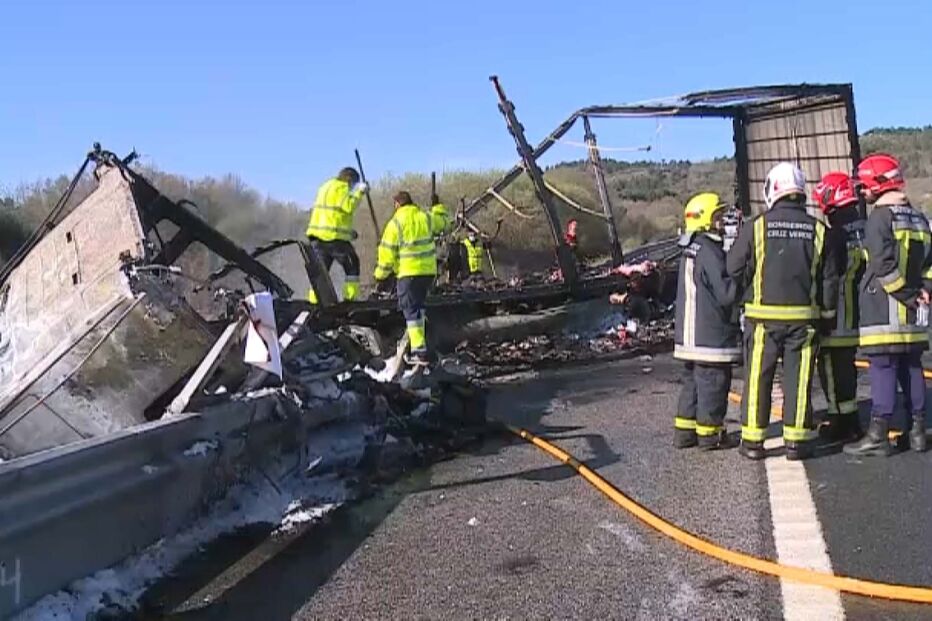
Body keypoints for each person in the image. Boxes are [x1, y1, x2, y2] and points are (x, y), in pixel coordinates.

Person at [727, 162, 839, 461]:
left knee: (758, 379)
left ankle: (752, 441)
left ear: (772, 190)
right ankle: (797, 442)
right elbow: (830, 281)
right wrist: (828, 318)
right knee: (798, 380)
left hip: (763, 320)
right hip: (804, 322)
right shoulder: (819, 230)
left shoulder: (757, 226)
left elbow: (733, 268)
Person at [845, 154, 932, 456]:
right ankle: (918, 432)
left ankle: (878, 434)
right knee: (911, 368)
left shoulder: (879, 218)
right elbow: (930, 266)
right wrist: (923, 292)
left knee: (882, 369)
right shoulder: (919, 218)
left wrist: (906, 295)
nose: (862, 190)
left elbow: (882, 267)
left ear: (878, 183)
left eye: (865, 184)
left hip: (884, 313)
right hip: (914, 317)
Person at [673, 193, 741, 450]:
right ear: (705, 220)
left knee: (692, 385)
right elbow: (725, 293)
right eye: (718, 216)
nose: (723, 222)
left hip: (689, 337)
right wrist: (742, 281)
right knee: (713, 384)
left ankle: (685, 433)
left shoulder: (690, 248)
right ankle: (710, 435)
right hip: (710, 336)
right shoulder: (710, 251)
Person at [811, 172, 865, 443]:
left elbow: (829, 278)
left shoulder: (833, 236)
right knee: (848, 369)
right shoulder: (866, 228)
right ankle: (852, 420)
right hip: (862, 314)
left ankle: (840, 423)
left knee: (832, 369)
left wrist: (825, 315)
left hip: (837, 316)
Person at [374, 191, 437, 364]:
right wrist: (438, 206)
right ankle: (420, 347)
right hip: (429, 273)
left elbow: (386, 253)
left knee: (411, 310)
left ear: (397, 204)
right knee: (419, 308)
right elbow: (445, 223)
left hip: (408, 274)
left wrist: (380, 275)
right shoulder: (425, 217)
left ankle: (419, 352)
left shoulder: (395, 223)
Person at [305, 167, 367, 303]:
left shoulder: (325, 186)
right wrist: (360, 192)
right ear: (349, 179)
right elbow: (348, 206)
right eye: (353, 184)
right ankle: (350, 299)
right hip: (333, 238)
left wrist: (349, 233)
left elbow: (333, 215)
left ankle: (314, 302)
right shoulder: (341, 187)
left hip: (317, 238)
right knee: (352, 265)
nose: (351, 188)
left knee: (320, 273)